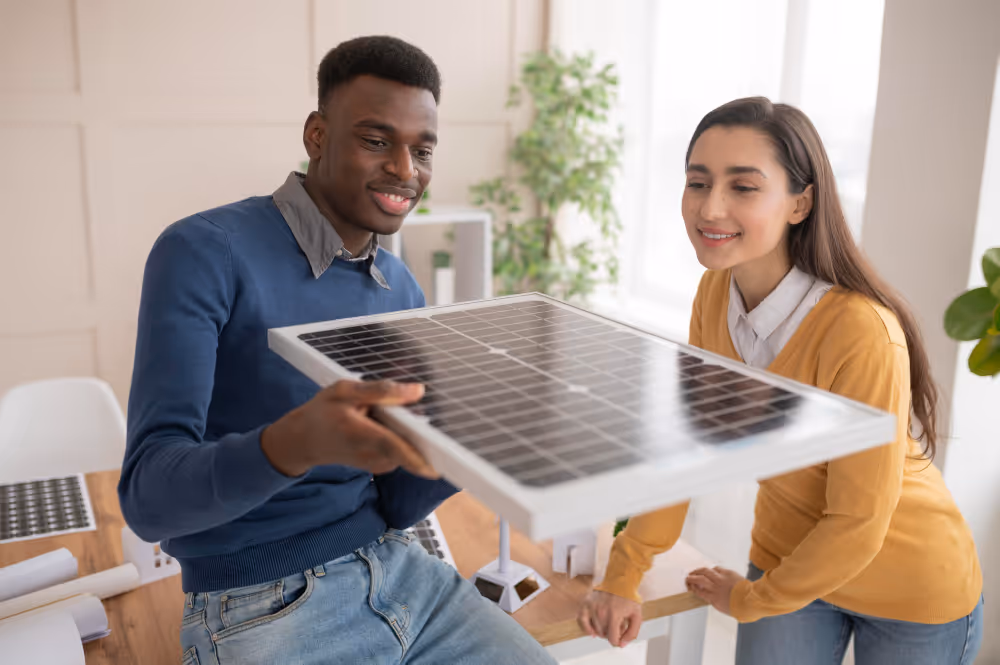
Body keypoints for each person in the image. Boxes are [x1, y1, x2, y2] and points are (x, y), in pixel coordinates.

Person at [120, 35, 556, 665]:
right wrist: (296, 442)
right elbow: (147, 500)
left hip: (403, 575)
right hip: (255, 605)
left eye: (422, 150)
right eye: (377, 141)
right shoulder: (203, 251)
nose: (406, 170)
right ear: (317, 135)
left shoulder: (400, 287)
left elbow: (398, 501)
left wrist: (471, 435)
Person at [577, 97, 983, 665]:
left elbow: (859, 519)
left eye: (743, 187)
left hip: (910, 584)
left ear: (801, 202)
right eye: (698, 182)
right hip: (790, 559)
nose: (710, 207)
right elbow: (687, 447)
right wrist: (624, 574)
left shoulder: (861, 332)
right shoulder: (713, 294)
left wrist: (753, 598)